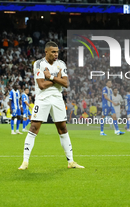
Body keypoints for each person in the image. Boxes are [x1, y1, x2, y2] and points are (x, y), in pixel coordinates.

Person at [18, 41, 84, 170]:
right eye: (53, 52)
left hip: (58, 98)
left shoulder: (61, 64)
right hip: (43, 98)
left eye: (57, 52)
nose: (56, 54)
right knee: (33, 128)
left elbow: (65, 83)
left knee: (63, 129)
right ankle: (25, 162)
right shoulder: (39, 64)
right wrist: (56, 78)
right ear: (46, 52)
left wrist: (51, 77)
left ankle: (71, 161)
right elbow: (41, 85)